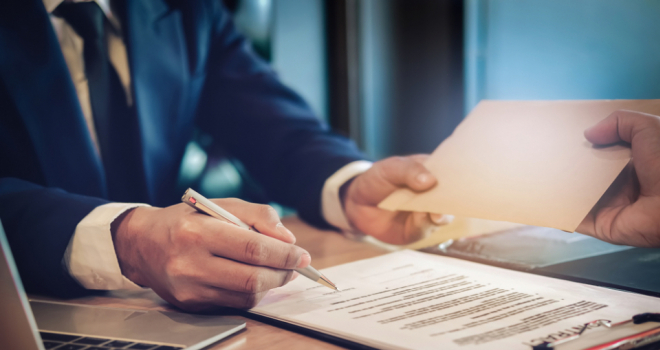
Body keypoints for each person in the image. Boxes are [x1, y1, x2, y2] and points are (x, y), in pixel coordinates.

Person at [0, 0, 449, 311]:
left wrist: (349, 187)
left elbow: (271, 121)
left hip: (154, 317)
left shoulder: (189, 9)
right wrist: (127, 241)